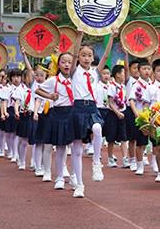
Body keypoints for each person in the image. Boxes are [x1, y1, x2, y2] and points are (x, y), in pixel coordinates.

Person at [68, 27, 117, 197]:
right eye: (83, 55)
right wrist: (79, 37)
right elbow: (73, 56)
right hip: (77, 108)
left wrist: (112, 37)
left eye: (89, 55)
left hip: (92, 108)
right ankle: (79, 185)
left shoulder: (95, 73)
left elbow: (105, 56)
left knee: (97, 129)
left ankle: (97, 162)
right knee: (77, 149)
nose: (86, 58)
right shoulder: (74, 72)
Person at [36, 52, 75, 192]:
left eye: (69, 62)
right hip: (57, 113)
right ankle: (57, 176)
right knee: (59, 147)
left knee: (74, 147)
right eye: (63, 62)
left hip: (72, 113)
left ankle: (74, 175)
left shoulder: (76, 79)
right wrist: (50, 96)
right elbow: (38, 90)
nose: (66, 64)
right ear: (58, 64)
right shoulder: (53, 80)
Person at [128, 59, 152, 176]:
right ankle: (139, 164)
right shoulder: (136, 84)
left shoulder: (152, 84)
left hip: (152, 116)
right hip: (141, 117)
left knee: (155, 142)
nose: (146, 71)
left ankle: (156, 164)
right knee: (141, 142)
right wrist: (136, 112)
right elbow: (132, 100)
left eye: (148, 68)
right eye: (144, 69)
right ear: (139, 71)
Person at [106, 64, 128, 168]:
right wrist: (117, 113)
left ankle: (125, 159)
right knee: (111, 137)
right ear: (118, 75)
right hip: (113, 114)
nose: (125, 75)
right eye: (123, 72)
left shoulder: (123, 87)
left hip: (122, 114)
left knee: (123, 137)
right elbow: (110, 102)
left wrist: (122, 112)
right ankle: (110, 158)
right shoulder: (111, 86)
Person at [124, 54, 140, 169]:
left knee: (142, 136)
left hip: (142, 111)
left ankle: (141, 157)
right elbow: (125, 68)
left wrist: (152, 55)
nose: (137, 70)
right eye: (134, 68)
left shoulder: (146, 81)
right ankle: (132, 159)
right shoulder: (129, 79)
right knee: (132, 137)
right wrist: (125, 54)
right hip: (130, 110)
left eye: (138, 68)